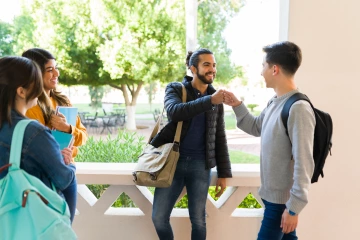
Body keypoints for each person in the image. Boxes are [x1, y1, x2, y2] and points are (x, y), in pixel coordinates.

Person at [224, 41, 315, 240]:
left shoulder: (298, 108)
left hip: (282, 203)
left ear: (275, 69)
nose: (261, 72)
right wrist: (237, 104)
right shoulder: (275, 101)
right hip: (272, 198)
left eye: (263, 66)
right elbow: (256, 126)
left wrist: (294, 209)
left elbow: (304, 161)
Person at [150, 48, 232, 240]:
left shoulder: (216, 97)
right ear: (193, 68)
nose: (212, 69)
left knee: (198, 220)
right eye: (206, 65)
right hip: (172, 161)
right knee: (159, 217)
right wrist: (209, 100)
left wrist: (224, 173)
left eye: (213, 65)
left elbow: (219, 136)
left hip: (200, 165)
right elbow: (175, 112)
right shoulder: (176, 89)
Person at [22, 48, 87, 223]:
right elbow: (32, 146)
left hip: (67, 173)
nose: (56, 73)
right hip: (42, 178)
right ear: (34, 73)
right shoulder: (28, 107)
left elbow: (83, 137)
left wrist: (67, 128)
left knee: (66, 228)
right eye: (49, 70)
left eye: (55, 68)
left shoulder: (63, 102)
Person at [0, 56, 76, 200]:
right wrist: (69, 164)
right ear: (21, 91)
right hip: (24, 216)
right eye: (36, 81)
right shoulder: (34, 132)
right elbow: (64, 179)